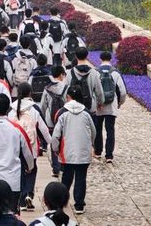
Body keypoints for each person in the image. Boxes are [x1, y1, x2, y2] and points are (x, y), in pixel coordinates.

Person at [51, 85, 96, 215]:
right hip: (83, 151)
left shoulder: (62, 113)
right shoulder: (86, 112)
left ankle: (61, 203)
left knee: (66, 177)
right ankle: (79, 205)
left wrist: (55, 148)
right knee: (81, 178)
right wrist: (91, 145)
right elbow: (93, 132)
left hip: (67, 151)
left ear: (68, 97)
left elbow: (56, 135)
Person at [9, 83, 52, 212]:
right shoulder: (34, 109)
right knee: (31, 169)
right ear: (30, 93)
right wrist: (50, 142)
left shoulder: (12, 109)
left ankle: (21, 200)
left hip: (15, 147)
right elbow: (43, 128)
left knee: (19, 171)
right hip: (30, 146)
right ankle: (29, 193)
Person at [94, 51, 127, 163]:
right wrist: (119, 103)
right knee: (110, 130)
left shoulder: (95, 72)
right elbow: (122, 91)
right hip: (111, 106)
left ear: (100, 59)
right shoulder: (115, 73)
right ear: (110, 59)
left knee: (98, 129)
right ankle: (109, 155)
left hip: (98, 106)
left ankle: (98, 152)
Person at [40, 66, 68, 178]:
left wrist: (43, 117)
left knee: (53, 142)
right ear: (61, 75)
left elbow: (43, 105)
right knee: (63, 141)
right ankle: (63, 165)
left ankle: (55, 168)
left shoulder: (47, 88)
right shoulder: (66, 87)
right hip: (63, 119)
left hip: (50, 120)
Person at [64, 50, 104, 114]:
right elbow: (99, 91)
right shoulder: (94, 73)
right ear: (87, 56)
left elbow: (66, 90)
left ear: (76, 57)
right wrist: (100, 103)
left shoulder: (69, 73)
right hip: (90, 108)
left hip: (73, 108)